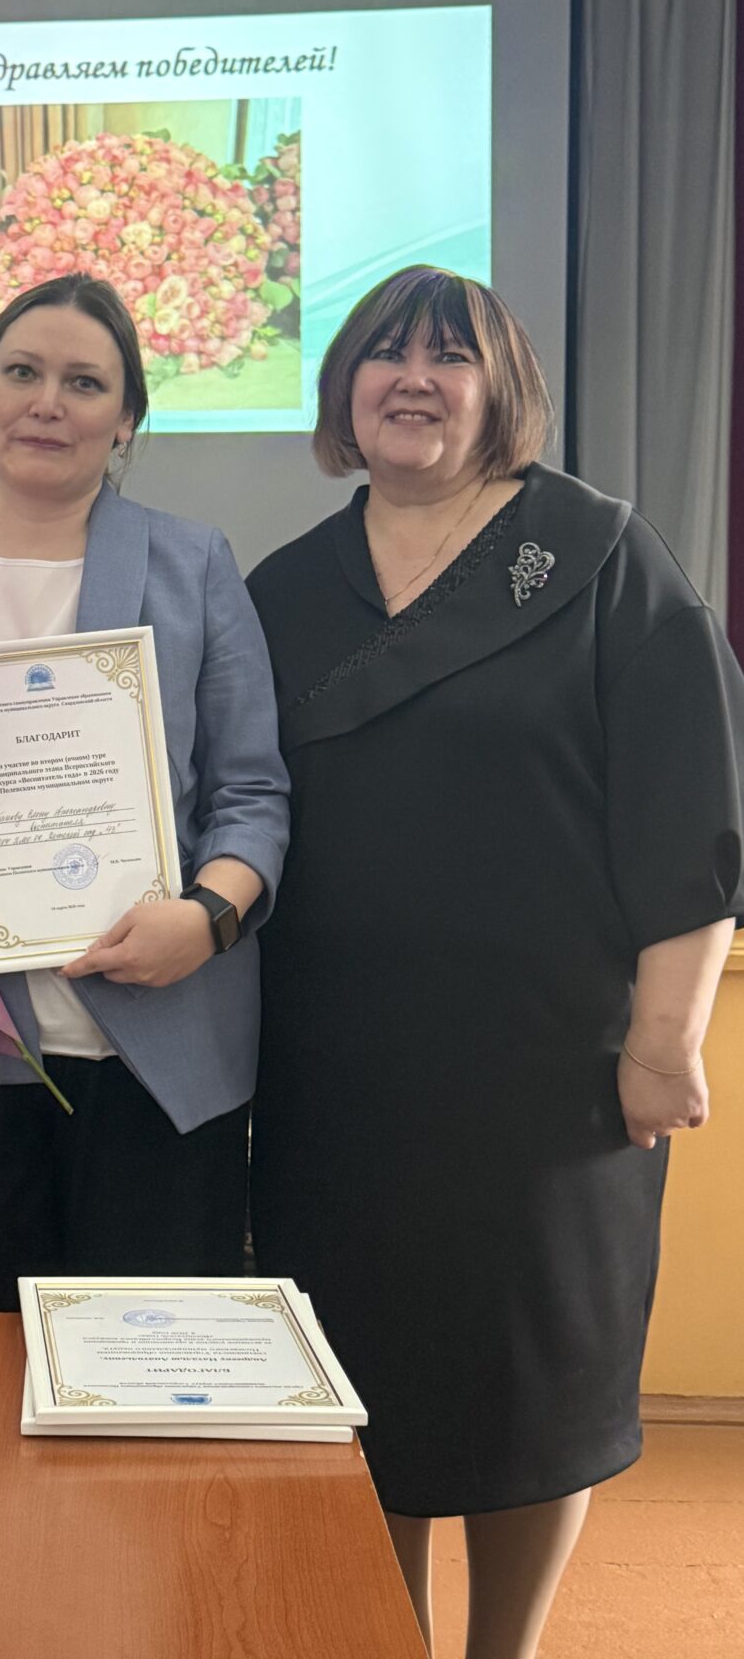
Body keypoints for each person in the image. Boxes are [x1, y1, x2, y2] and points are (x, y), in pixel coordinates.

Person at [246, 265, 744, 1659]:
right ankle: (390, 1634)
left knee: (534, 1386)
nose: (413, 377)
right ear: (345, 387)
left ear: (499, 388)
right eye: (384, 353)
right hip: (335, 1076)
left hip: (548, 1072)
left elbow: (692, 816)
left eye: (448, 355)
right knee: (362, 1378)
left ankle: (503, 1648)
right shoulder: (286, 588)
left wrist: (666, 1041)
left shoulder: (595, 557)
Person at [0, 273, 290, 1310]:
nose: (46, 403)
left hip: (153, 1057)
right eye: (21, 373)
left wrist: (205, 921)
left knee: (141, 1381)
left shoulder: (194, 565)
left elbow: (252, 793)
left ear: (125, 421)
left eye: (84, 383)